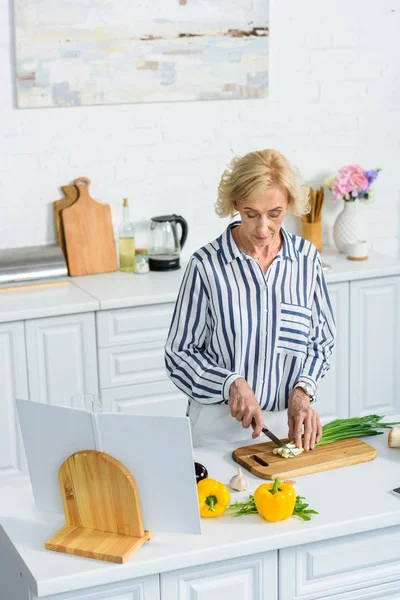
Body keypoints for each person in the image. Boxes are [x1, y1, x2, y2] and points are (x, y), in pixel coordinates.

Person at [165, 149, 336, 449]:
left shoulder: (307, 260)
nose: (262, 229)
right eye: (251, 214)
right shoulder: (206, 265)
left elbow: (321, 341)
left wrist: (302, 393)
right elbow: (179, 354)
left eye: (275, 214)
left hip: (285, 428)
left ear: (290, 206)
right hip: (218, 429)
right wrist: (230, 383)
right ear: (235, 205)